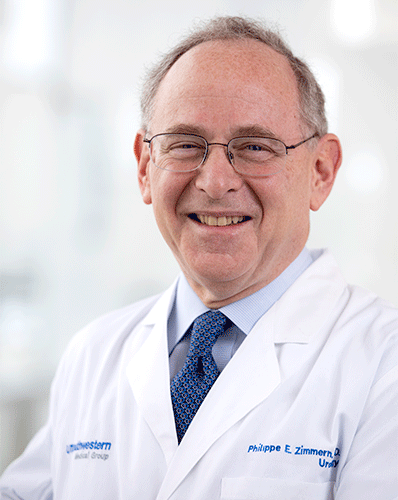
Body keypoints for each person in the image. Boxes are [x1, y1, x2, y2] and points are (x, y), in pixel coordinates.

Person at [1, 15, 397, 500]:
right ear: (146, 167)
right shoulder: (94, 354)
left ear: (320, 171)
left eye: (254, 147)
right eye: (185, 145)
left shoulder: (383, 366)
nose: (213, 181)